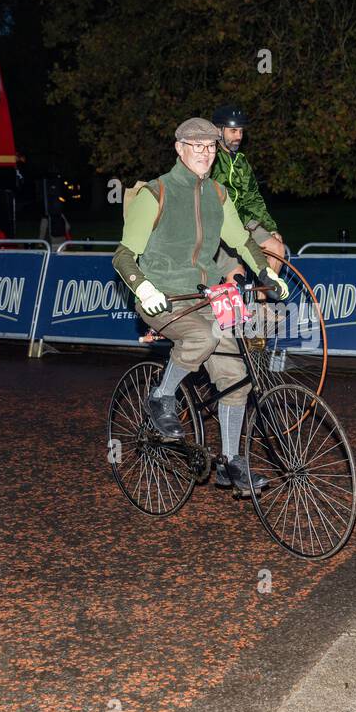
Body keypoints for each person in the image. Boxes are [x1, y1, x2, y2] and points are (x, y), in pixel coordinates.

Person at [112, 117, 290, 492]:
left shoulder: (219, 196)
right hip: (163, 299)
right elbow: (124, 256)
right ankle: (161, 396)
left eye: (209, 147)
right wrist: (143, 287)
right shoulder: (156, 194)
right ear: (180, 149)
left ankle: (230, 462)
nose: (204, 153)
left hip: (203, 298)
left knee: (236, 374)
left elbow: (242, 241)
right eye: (196, 146)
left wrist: (265, 273)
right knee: (203, 338)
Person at [209, 105, 286, 275]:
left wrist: (271, 227)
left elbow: (253, 198)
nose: (238, 136)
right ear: (218, 130)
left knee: (277, 249)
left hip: (243, 220)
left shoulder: (241, 162)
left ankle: (262, 301)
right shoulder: (209, 157)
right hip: (219, 226)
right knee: (236, 276)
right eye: (233, 131)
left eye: (241, 131)